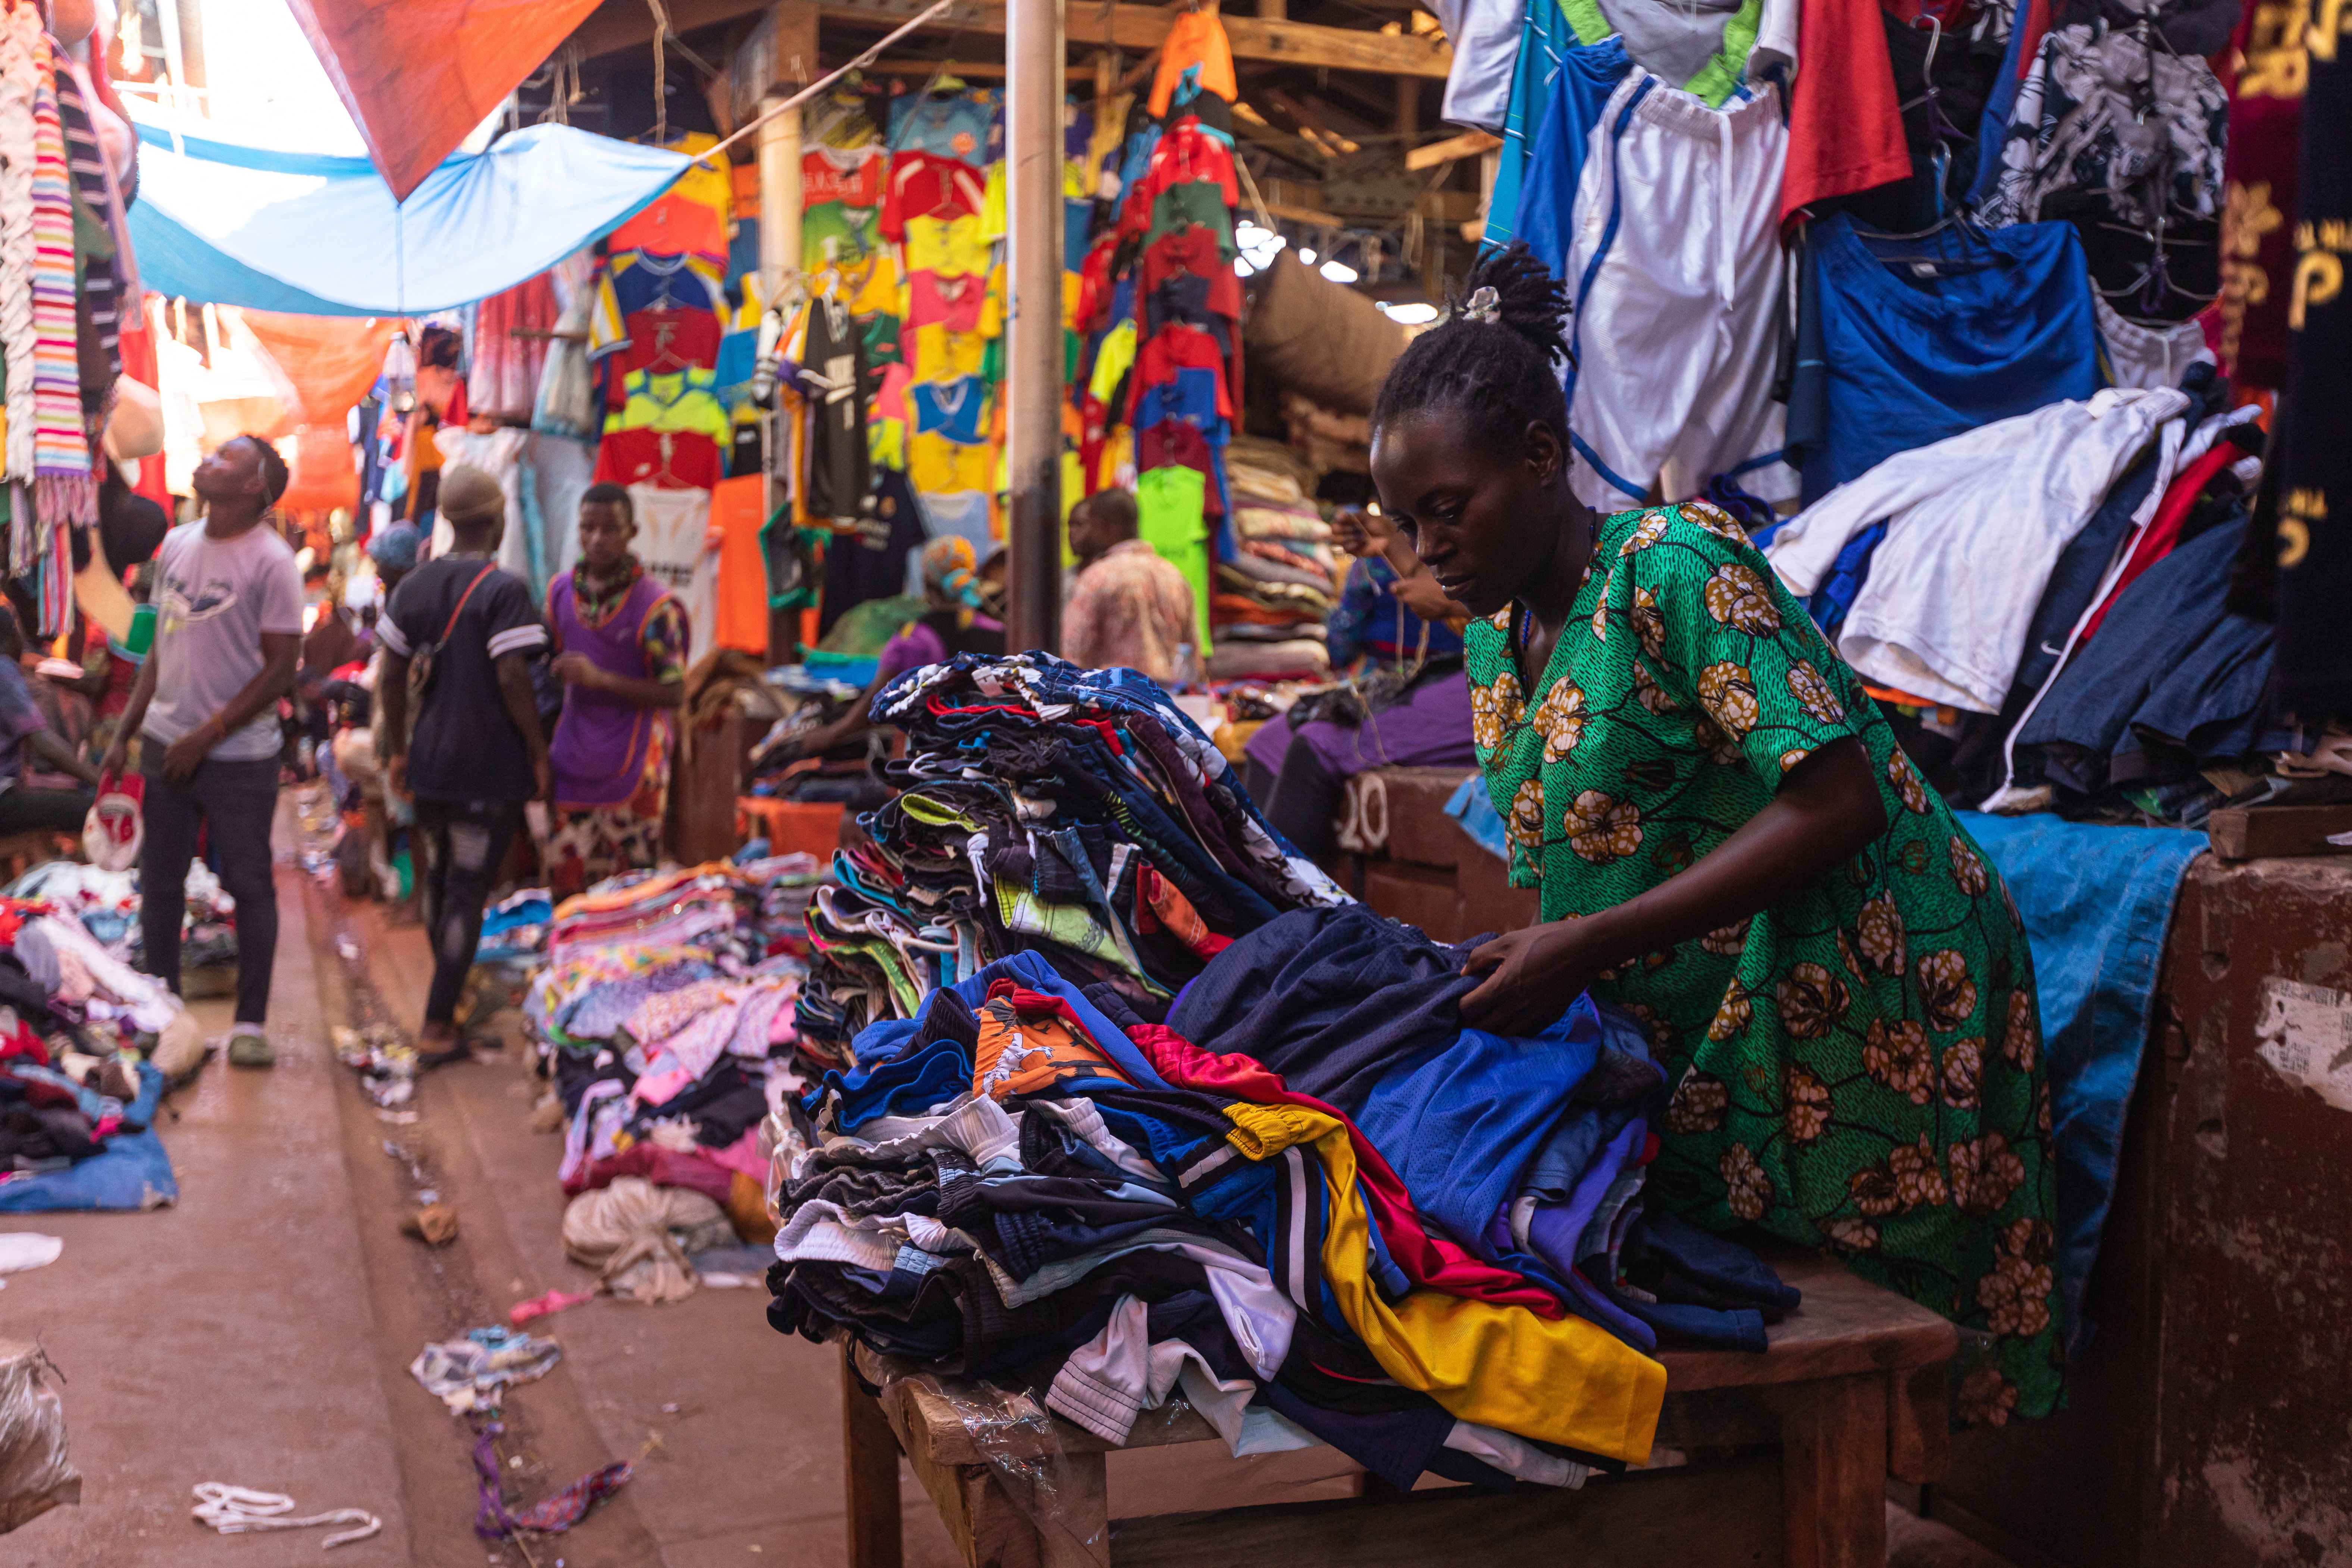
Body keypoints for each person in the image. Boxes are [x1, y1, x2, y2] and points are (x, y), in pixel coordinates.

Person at [1364, 245, 2061, 1423]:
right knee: (1722, 1305)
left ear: (1540, 460)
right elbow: (1588, 859)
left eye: (1446, 511)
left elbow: (1836, 799)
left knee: (1857, 1311)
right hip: (1720, 983)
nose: (1426, 552)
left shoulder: (1671, 566)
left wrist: (1583, 949)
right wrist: (1544, 955)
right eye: (1404, 524)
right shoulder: (1496, 641)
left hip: (1863, 958)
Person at [101, 435, 304, 1068]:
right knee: (159, 883)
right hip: (168, 743)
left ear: (254, 486)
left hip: (239, 755)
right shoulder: (181, 543)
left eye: (226, 458)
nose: (208, 460)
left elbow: (281, 671)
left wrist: (208, 733)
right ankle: (164, 1008)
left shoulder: (273, 562)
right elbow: (162, 645)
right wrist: (126, 729)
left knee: (249, 883)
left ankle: (250, 1023)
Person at [376, 466, 551, 1064]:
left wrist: (398, 749)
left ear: (448, 520)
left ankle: (445, 1010)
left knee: (443, 881)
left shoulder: (413, 588)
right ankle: (436, 1022)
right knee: (466, 890)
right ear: (498, 518)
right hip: (486, 768)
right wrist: (536, 749)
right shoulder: (505, 589)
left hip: (429, 764)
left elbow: (391, 678)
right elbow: (511, 675)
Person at [1241, 507, 1481, 859]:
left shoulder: (1509, 546)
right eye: (1407, 526)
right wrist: (1393, 545)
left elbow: (1340, 646)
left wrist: (1452, 602)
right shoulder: (1391, 561)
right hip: (1430, 675)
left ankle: (1281, 904)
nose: (1423, 548)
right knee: (1269, 741)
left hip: (1488, 680)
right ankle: (1257, 890)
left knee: (1318, 743)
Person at [544, 483, 688, 899]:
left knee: (633, 893)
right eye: (588, 528)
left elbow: (675, 693)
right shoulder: (559, 594)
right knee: (565, 886)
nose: (597, 539)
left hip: (637, 760)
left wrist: (600, 679)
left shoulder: (656, 608)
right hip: (573, 755)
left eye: (610, 529)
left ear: (632, 532)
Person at [784, 535, 1006, 764]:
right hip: (993, 754)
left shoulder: (913, 640)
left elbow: (876, 704)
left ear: (926, 581)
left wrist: (828, 736)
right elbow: (1000, 695)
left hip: (934, 760)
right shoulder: (1000, 633)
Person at [1060, 489, 1196, 684]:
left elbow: (1073, 652)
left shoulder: (1097, 578)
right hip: (1167, 702)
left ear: (1102, 526)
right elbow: (1192, 655)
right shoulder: (1174, 575)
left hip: (1116, 704)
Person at [0, 606, 101, 831]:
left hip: (10, 789)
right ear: (11, 635)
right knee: (91, 807)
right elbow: (45, 745)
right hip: (4, 801)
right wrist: (101, 780)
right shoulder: (5, 671)